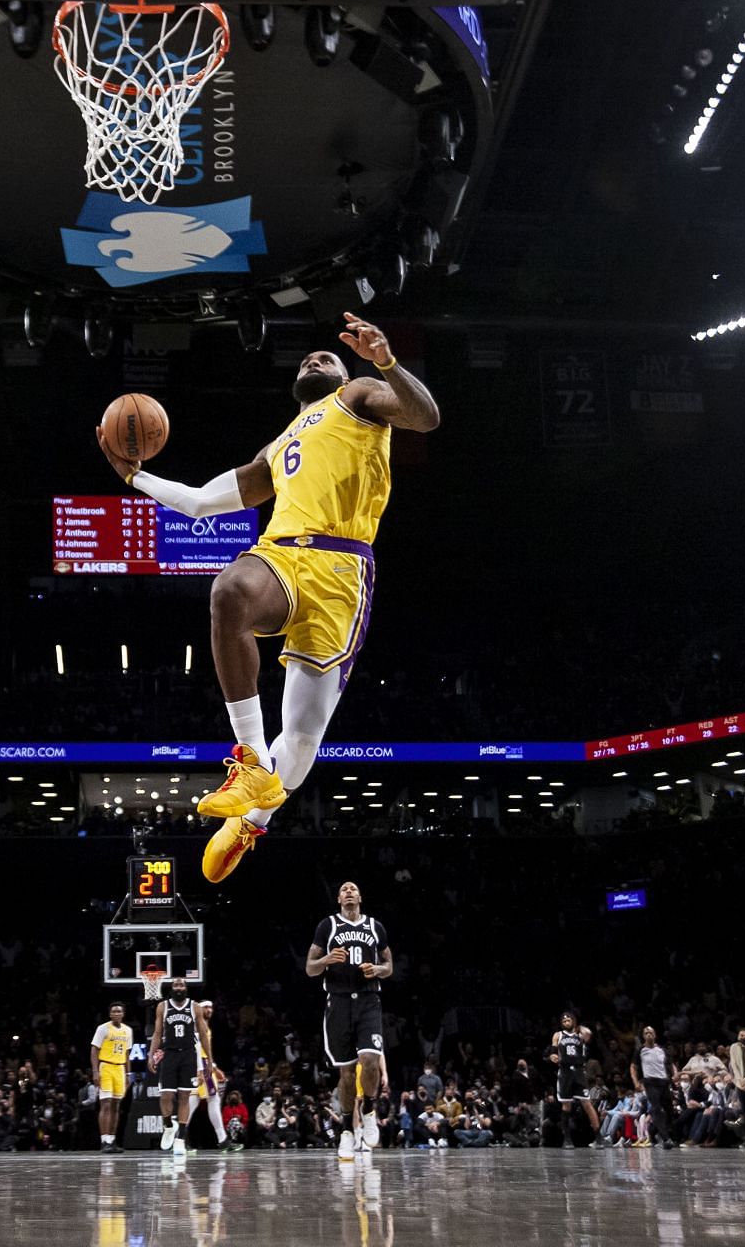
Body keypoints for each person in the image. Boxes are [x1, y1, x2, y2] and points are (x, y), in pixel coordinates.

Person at [95, 313, 441, 884]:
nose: (315, 360)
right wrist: (136, 478)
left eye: (326, 357)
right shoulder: (279, 444)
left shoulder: (357, 395)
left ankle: (254, 821)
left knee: (303, 739)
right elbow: (203, 502)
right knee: (229, 590)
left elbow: (425, 418)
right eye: (308, 360)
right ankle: (251, 763)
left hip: (341, 567)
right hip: (281, 555)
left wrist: (385, 360)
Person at [305, 880, 393, 1160]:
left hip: (368, 1000)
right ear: (339, 899)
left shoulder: (375, 927)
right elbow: (310, 968)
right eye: (344, 889)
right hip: (339, 1002)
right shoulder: (328, 926)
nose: (349, 891)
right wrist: (328, 959)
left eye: (353, 888)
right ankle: (346, 1129)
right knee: (345, 1073)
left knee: (369, 1059)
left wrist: (378, 969)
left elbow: (389, 965)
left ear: (361, 896)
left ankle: (368, 1108)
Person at [148, 979, 215, 1159]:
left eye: (182, 985)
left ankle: (180, 1140)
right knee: (166, 1096)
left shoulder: (194, 1007)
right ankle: (169, 1126)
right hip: (169, 1054)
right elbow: (157, 1033)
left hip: (188, 1054)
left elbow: (202, 1035)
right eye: (176, 985)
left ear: (186, 989)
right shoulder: (163, 1007)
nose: (179, 988)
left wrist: (209, 1060)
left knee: (185, 1096)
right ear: (172, 989)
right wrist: (151, 1055)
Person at [90, 1002, 135, 1153]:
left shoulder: (128, 1030)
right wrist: (95, 1072)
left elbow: (127, 1054)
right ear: (110, 1014)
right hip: (106, 1067)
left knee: (116, 1106)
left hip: (120, 1069)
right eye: (114, 1011)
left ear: (123, 1014)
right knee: (106, 1104)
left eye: (119, 1011)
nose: (116, 1013)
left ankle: (111, 1140)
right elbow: (94, 1050)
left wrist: (128, 1074)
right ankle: (104, 1140)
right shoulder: (102, 1028)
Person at [549, 1012, 598, 1148]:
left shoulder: (580, 1035)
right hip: (565, 1072)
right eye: (564, 1021)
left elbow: (589, 1034)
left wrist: (579, 1026)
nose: (566, 1022)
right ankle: (567, 1139)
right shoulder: (558, 1035)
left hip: (579, 1071)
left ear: (573, 1021)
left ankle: (598, 1136)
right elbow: (553, 1051)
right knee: (566, 1105)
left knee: (587, 1104)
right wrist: (553, 1056)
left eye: (569, 1020)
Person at [194, 999, 234, 1150]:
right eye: (206, 1008)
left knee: (199, 1100)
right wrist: (203, 1068)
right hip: (201, 1065)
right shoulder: (199, 1024)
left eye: (211, 1007)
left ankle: (179, 1138)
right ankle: (222, 1140)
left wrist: (214, 1066)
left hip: (203, 1064)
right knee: (211, 1100)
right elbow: (197, 1048)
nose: (209, 1010)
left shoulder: (204, 1025)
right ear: (199, 1009)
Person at [630, 1026, 677, 1149]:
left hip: (664, 1082)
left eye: (651, 1032)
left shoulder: (662, 1050)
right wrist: (636, 1082)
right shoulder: (640, 1050)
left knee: (669, 1111)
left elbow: (671, 1065)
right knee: (656, 1109)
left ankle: (663, 1134)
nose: (648, 1034)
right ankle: (666, 1139)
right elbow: (633, 1067)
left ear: (655, 1035)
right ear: (643, 1036)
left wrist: (676, 1075)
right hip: (650, 1083)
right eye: (646, 1032)